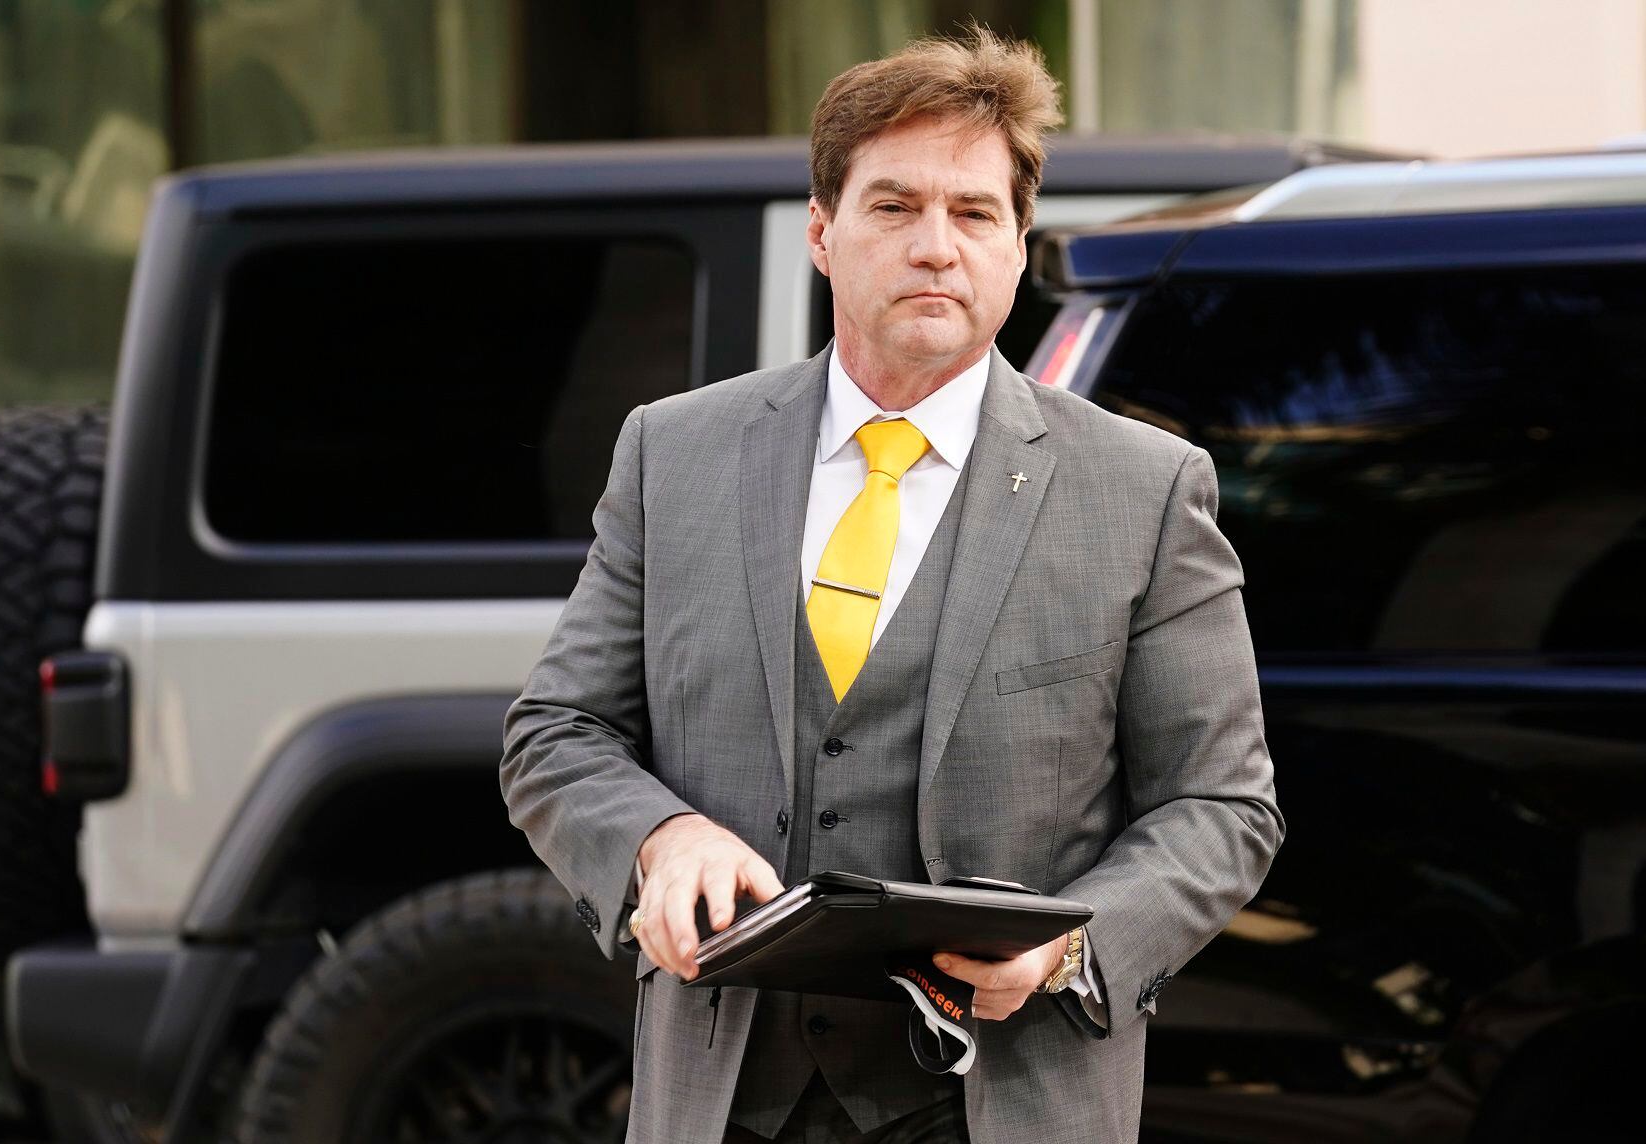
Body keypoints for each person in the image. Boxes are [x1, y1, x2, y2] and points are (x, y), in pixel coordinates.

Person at [500, 26, 1282, 1144]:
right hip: (725, 1102)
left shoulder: (1144, 490)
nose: (936, 247)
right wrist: (657, 838)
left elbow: (1222, 807)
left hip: (1002, 1103)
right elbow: (556, 733)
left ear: (1018, 245)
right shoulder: (673, 454)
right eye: (894, 206)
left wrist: (1069, 945)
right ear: (823, 233)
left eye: (974, 213)